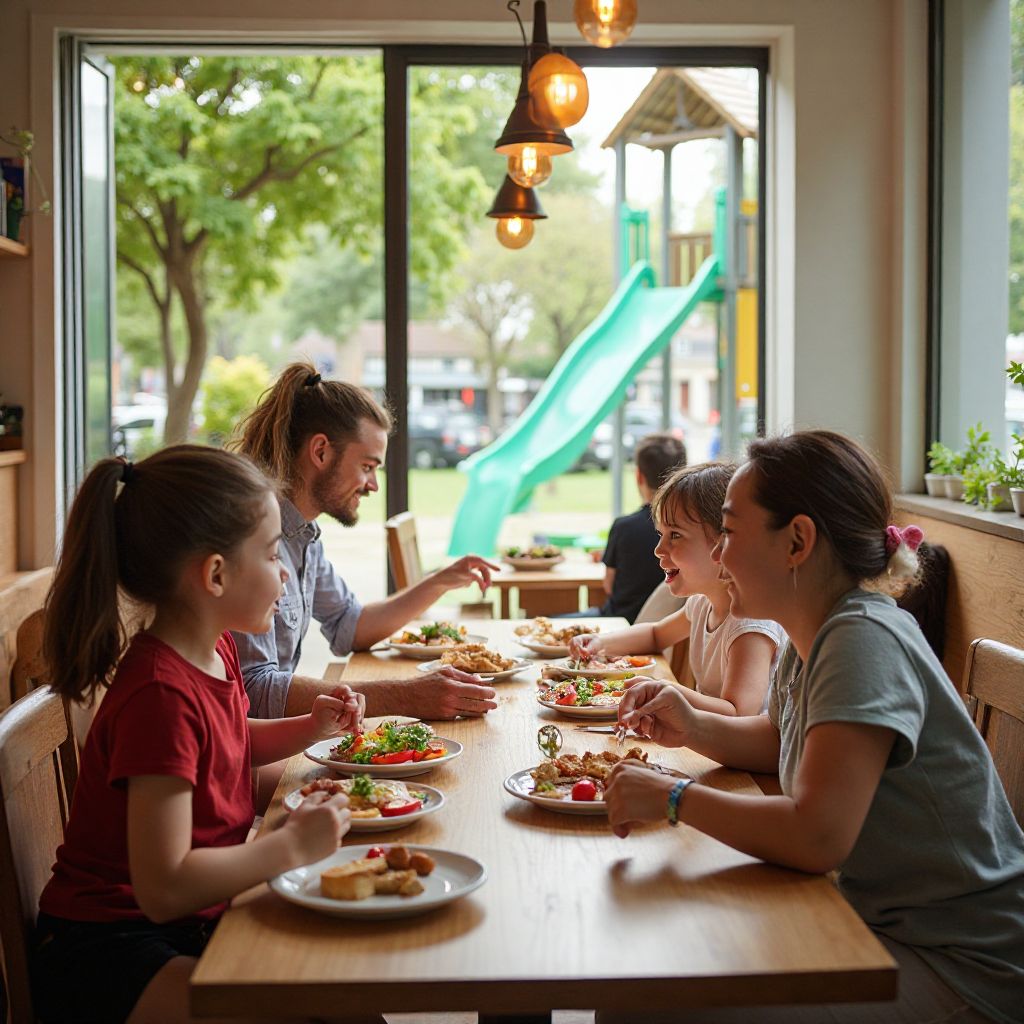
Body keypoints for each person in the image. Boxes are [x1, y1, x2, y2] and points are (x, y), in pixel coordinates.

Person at [605, 430, 1024, 1023]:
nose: (718, 555)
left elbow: (816, 835)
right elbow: (781, 741)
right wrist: (691, 723)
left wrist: (675, 796)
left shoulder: (863, 640)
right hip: (876, 918)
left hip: (962, 963)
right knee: (655, 967)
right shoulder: (816, 633)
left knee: (643, 1003)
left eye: (727, 530)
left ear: (797, 541)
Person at [32, 446, 366, 1024]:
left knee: (341, 987)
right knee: (320, 1001)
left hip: (178, 922)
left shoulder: (214, 651)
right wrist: (285, 847)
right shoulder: (159, 695)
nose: (284, 570)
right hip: (111, 950)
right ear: (214, 574)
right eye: (269, 553)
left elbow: (230, 744)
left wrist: (311, 729)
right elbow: (164, 885)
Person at [230, 363, 500, 720]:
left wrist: (440, 581)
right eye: (368, 466)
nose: (373, 485)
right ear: (321, 451)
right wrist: (404, 698)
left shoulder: (304, 534)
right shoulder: (252, 537)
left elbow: (349, 627)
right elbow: (252, 691)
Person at [571, 462, 784, 716]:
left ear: (725, 542)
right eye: (660, 534)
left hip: (736, 754)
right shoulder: (702, 603)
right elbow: (656, 635)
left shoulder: (749, 625)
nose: (658, 549)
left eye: (675, 535)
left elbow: (738, 712)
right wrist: (599, 643)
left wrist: (667, 690)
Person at [572, 432, 686, 624]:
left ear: (639, 476)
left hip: (618, 624)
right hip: (666, 626)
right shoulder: (689, 533)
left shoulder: (624, 527)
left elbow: (609, 585)